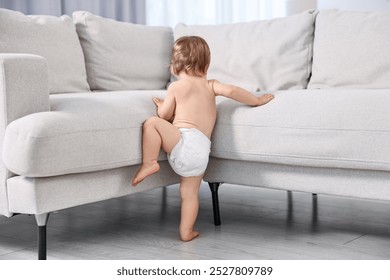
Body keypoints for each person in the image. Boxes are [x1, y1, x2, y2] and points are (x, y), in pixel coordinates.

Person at [131, 36, 274, 241]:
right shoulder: (211, 86)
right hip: (201, 154)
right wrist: (257, 100)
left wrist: (161, 104)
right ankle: (186, 231)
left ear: (176, 65)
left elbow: (164, 116)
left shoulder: (176, 88)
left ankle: (149, 162)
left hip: (183, 142)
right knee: (190, 194)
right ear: (205, 64)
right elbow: (232, 91)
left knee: (152, 123)